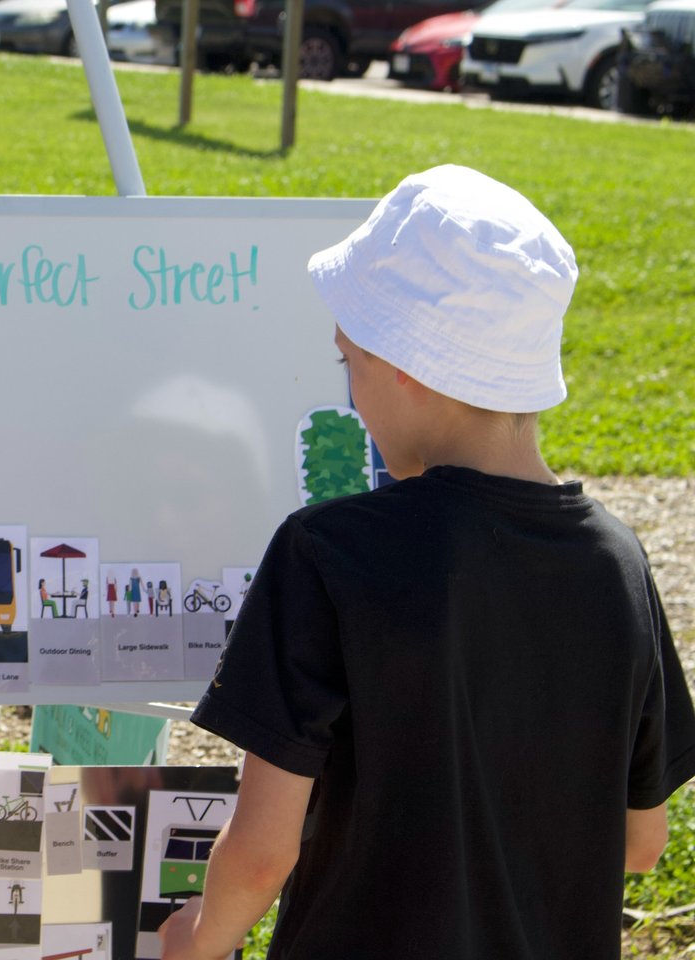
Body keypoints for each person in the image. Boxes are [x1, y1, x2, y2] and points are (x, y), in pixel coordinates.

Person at [159, 165, 695, 960]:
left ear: (404, 362)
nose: (350, 398)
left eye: (350, 365)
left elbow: (264, 850)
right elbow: (640, 841)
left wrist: (197, 942)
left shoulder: (327, 553)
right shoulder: (618, 562)